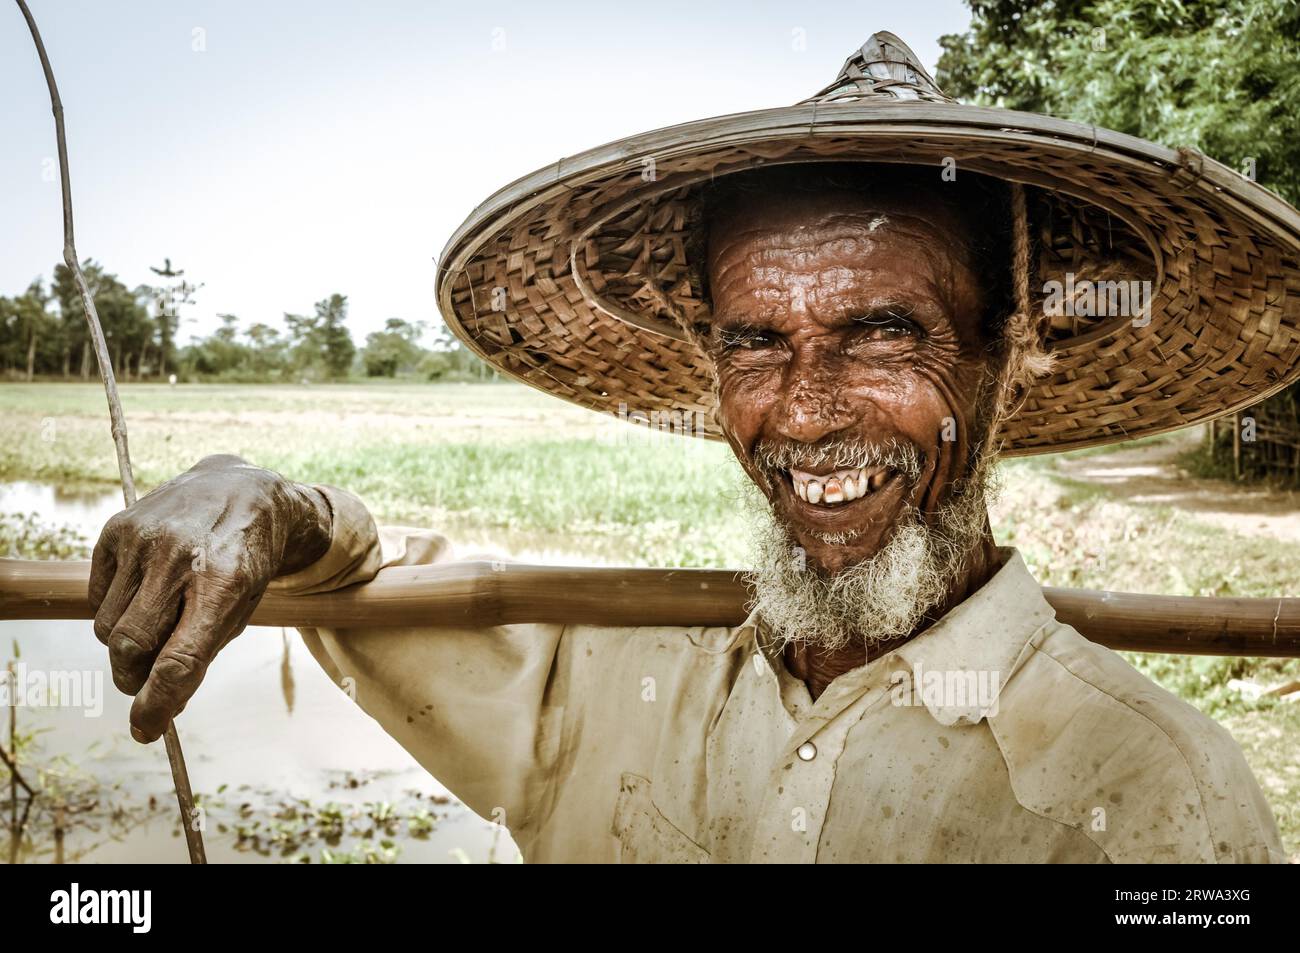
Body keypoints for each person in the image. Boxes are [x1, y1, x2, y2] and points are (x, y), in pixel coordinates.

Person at [90, 33, 1295, 863]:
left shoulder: (1152, 790)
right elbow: (346, 584)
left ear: (1003, 352)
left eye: (880, 332)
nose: (808, 409)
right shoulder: (606, 678)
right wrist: (257, 495)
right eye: (756, 342)